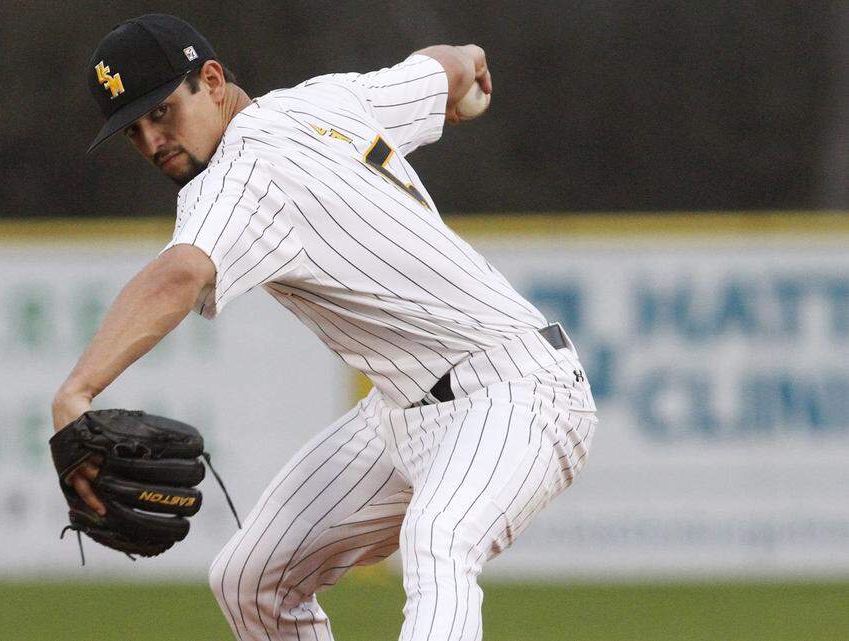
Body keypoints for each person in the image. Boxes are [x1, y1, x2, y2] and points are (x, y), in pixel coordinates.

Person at [52, 13, 597, 641]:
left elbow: (177, 276)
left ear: (211, 78)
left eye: (163, 112)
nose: (152, 141)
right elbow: (446, 66)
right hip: (398, 413)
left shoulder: (237, 173)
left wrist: (77, 391)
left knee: (439, 540)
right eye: (134, 130)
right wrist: (469, 63)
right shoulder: (327, 99)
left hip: (516, 391)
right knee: (250, 580)